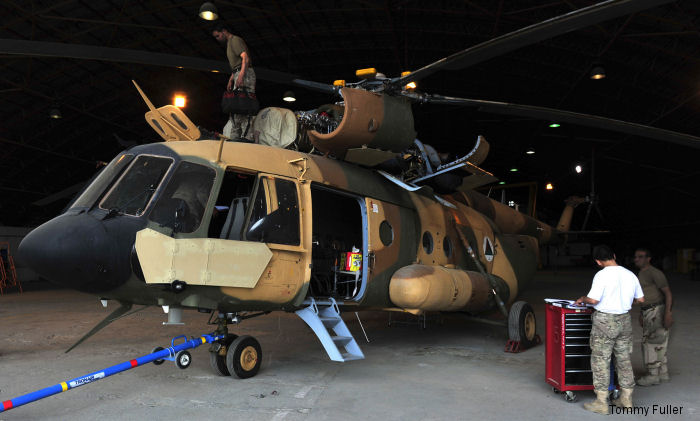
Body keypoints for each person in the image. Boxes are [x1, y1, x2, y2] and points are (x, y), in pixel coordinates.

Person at [575, 245, 644, 414]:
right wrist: (624, 301)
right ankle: (626, 399)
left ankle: (601, 402)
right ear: (614, 255)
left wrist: (582, 298)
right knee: (624, 359)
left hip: (605, 321)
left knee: (601, 361)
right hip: (624, 320)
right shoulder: (630, 274)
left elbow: (593, 300)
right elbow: (640, 299)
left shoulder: (601, 275)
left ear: (598, 261)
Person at [633, 248, 673, 386]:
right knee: (659, 341)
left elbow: (668, 293)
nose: (637, 259)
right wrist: (641, 313)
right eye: (636, 257)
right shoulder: (642, 273)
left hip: (656, 311)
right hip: (648, 310)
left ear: (648, 258)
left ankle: (652, 375)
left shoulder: (654, 273)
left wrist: (668, 313)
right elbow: (645, 294)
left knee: (650, 343)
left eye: (640, 257)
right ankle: (663, 372)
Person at [212, 24, 256, 140]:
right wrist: (232, 78)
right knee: (236, 106)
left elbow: (245, 58)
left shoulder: (235, 40)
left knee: (245, 104)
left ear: (224, 31)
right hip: (237, 72)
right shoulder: (229, 44)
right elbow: (236, 64)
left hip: (245, 73)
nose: (218, 38)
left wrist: (241, 75)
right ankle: (236, 135)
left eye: (218, 35)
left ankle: (247, 136)